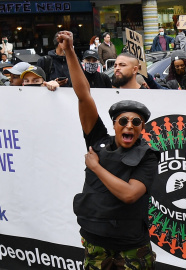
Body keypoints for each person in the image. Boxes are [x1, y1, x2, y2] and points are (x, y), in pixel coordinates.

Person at [57, 30, 159, 270]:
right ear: (114, 124)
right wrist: (70, 51)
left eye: (136, 122)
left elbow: (129, 195)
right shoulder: (98, 140)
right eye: (123, 121)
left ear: (142, 127)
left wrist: (95, 166)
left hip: (131, 246)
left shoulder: (148, 157)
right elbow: (83, 96)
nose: (129, 126)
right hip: (94, 242)